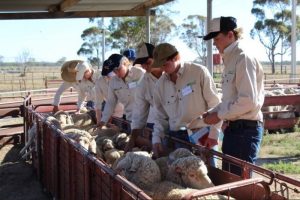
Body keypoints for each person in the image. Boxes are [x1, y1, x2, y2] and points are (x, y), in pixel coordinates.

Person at [202, 16, 264, 177]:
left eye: (216, 38)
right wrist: (213, 112)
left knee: (238, 183)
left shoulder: (243, 57)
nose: (214, 43)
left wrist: (218, 116)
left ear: (230, 35)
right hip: (235, 129)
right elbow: (230, 100)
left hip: (245, 130)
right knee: (231, 179)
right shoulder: (231, 58)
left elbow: (248, 101)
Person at [151, 43, 221, 159]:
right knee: (180, 173)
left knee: (205, 172)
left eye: (165, 64)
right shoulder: (160, 85)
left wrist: (214, 134)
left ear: (176, 57)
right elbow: (160, 116)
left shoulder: (198, 72)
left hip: (202, 133)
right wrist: (156, 138)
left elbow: (215, 105)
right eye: (160, 66)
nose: (163, 69)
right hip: (177, 136)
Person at [125, 42, 163, 152]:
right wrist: (132, 141)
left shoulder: (171, 75)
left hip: (189, 127)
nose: (145, 67)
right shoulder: (144, 83)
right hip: (163, 128)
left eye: (147, 62)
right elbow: (138, 114)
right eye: (142, 64)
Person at [98, 53, 145, 131]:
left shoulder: (140, 73)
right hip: (130, 119)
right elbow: (110, 102)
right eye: (113, 70)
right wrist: (103, 120)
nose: (116, 72)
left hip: (147, 119)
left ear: (125, 63)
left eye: (118, 69)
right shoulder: (113, 82)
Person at [94, 59, 124, 126]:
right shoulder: (100, 82)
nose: (108, 77)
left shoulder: (124, 78)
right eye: (107, 74)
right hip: (114, 112)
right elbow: (98, 103)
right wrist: (99, 121)